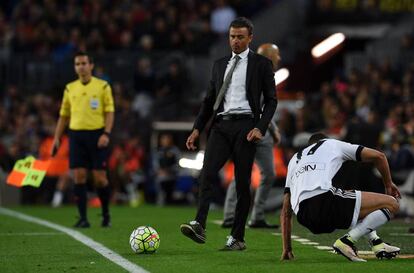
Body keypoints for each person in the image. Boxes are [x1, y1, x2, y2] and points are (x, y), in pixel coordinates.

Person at [180, 17, 277, 250]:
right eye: (232, 36)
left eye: (240, 37)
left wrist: (260, 127)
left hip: (246, 127)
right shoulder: (219, 64)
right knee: (207, 173)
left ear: (250, 38)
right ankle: (199, 224)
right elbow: (209, 100)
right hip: (221, 125)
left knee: (243, 183)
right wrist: (196, 129)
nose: (235, 41)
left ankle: (237, 238)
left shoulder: (261, 64)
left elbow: (272, 101)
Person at [280, 133, 401, 262]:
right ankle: (347, 241)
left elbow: (286, 211)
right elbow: (379, 156)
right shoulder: (331, 144)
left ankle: (377, 243)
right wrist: (388, 184)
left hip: (305, 217)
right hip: (324, 201)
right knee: (392, 204)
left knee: (354, 201)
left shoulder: (294, 160)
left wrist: (287, 248)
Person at [51, 51, 115, 228]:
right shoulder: (70, 88)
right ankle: (83, 218)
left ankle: (106, 214)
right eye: (77, 64)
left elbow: (110, 112)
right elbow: (63, 116)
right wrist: (57, 138)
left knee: (100, 178)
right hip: (76, 135)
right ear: (75, 67)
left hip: (97, 135)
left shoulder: (103, 87)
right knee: (79, 176)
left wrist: (106, 133)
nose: (81, 67)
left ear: (91, 65)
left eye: (84, 63)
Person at [222, 43, 281, 229]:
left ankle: (246, 216)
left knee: (254, 172)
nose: (279, 58)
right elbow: (260, 108)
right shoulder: (258, 74)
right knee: (254, 173)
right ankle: (241, 216)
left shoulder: (258, 73)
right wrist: (273, 129)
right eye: (277, 54)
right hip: (254, 131)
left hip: (253, 130)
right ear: (269, 56)